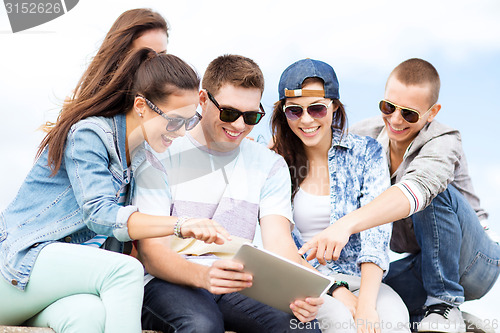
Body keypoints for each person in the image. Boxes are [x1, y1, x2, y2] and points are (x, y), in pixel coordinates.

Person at [0, 48, 231, 332]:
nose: (181, 131)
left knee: (89, 316)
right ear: (141, 107)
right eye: (174, 120)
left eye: (188, 121)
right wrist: (180, 225)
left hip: (56, 289)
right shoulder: (89, 134)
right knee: (125, 271)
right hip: (16, 268)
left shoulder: (144, 159)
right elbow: (100, 214)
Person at [300, 58, 500, 332]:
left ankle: (444, 303)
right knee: (375, 292)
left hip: (475, 262)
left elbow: (415, 191)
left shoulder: (444, 140)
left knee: (432, 193)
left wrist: (345, 225)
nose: (395, 119)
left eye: (409, 114)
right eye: (388, 107)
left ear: (432, 113)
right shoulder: (364, 137)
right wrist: (268, 146)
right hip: (424, 263)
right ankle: (439, 318)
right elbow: (316, 139)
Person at [134, 54, 324, 333]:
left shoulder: (269, 164)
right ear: (202, 100)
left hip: (239, 280)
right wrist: (204, 275)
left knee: (298, 326)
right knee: (201, 325)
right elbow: (152, 254)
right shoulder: (163, 150)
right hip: (169, 280)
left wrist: (300, 291)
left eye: (251, 117)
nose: (238, 126)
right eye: (229, 113)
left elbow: (279, 243)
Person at [270, 58, 410, 333]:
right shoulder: (275, 164)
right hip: (308, 278)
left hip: (364, 277)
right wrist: (336, 290)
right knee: (339, 322)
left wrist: (366, 304)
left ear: (334, 106)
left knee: (395, 321)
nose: (307, 119)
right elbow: (281, 243)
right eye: (294, 111)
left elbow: (376, 232)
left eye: (317, 108)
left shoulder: (366, 152)